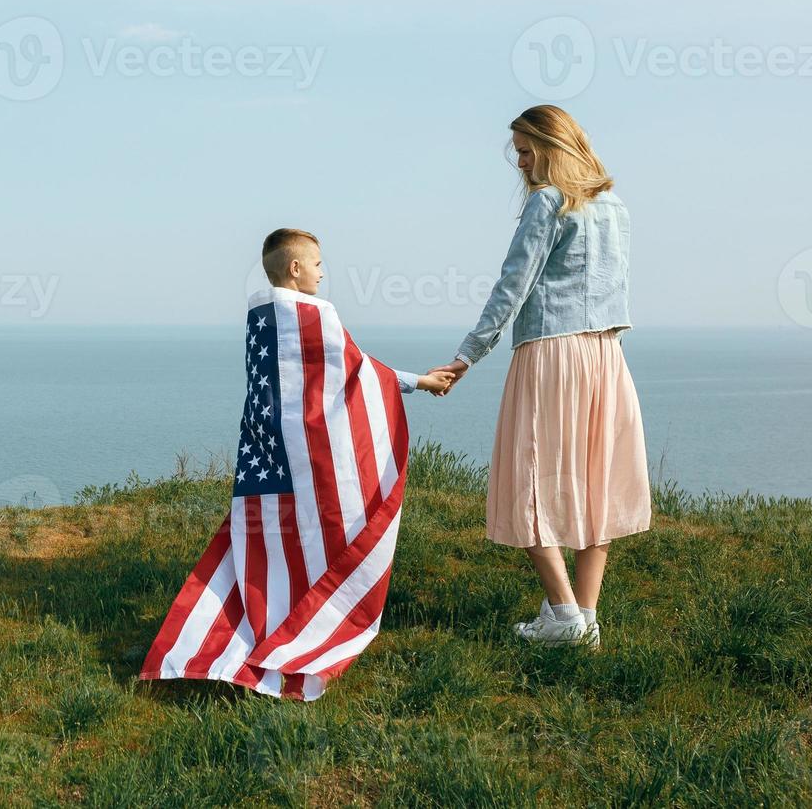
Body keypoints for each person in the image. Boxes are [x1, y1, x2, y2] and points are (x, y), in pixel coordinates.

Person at [435, 105, 651, 649]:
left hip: (551, 353)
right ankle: (585, 616)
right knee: (595, 479)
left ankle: (564, 614)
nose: (521, 163)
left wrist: (468, 353)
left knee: (529, 479)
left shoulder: (548, 203)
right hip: (605, 355)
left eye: (527, 151)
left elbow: (514, 284)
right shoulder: (615, 206)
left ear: (553, 147)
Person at [262, 228, 455, 397]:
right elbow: (359, 370)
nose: (321, 273)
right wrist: (422, 382)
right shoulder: (314, 317)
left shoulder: (261, 316)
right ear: (295, 268)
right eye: (317, 265)